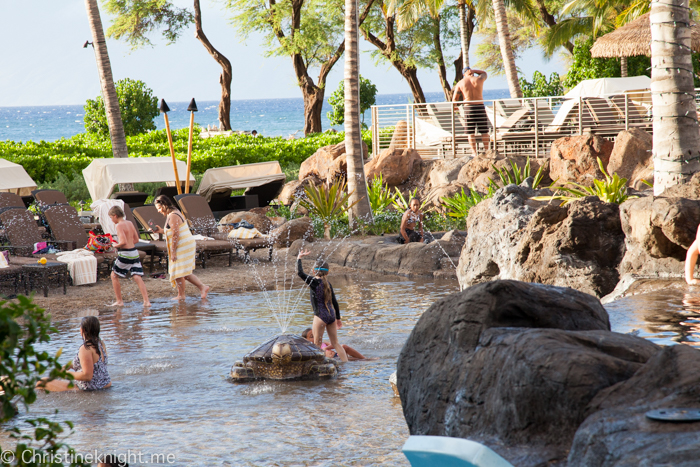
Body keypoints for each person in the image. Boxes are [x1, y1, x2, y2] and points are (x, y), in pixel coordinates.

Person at [151, 195, 211, 300]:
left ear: (165, 205)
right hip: (185, 243)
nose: (159, 211)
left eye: (159, 208)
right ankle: (202, 287)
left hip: (183, 245)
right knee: (183, 271)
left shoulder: (173, 215)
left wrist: (173, 252)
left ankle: (181, 295)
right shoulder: (173, 213)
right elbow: (173, 231)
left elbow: (175, 235)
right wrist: (160, 230)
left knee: (178, 271)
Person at [297, 249, 349, 362]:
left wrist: (299, 258)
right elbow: (335, 302)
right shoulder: (328, 284)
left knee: (317, 344)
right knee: (335, 343)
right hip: (331, 316)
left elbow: (300, 273)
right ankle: (346, 364)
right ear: (328, 272)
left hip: (320, 316)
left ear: (313, 271)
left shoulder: (313, 282)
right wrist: (338, 319)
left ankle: (319, 365)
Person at [36, 316, 111, 392]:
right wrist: (71, 365)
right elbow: (96, 365)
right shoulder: (100, 343)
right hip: (105, 384)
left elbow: (87, 376)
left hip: (88, 388)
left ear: (83, 330)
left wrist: (65, 373)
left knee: (41, 382)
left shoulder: (86, 348)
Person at [108, 206, 150, 307]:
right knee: (137, 276)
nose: (111, 220)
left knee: (113, 276)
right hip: (134, 253)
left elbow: (123, 242)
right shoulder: (130, 223)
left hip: (126, 253)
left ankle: (119, 301)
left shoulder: (119, 226)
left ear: (115, 216)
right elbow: (136, 240)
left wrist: (114, 245)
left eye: (111, 217)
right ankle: (146, 301)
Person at [452, 66, 490, 156]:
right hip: (480, 106)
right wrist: (474, 70)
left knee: (470, 132)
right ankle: (487, 151)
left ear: (463, 74)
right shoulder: (479, 79)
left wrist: (455, 107)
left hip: (469, 108)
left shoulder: (460, 83)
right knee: (484, 131)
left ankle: (474, 153)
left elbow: (454, 99)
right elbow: (485, 73)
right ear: (471, 72)